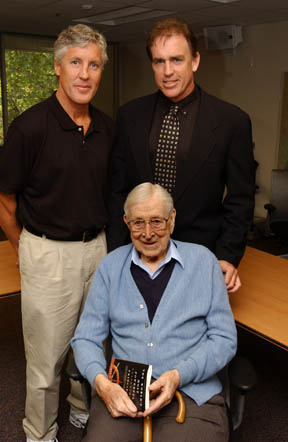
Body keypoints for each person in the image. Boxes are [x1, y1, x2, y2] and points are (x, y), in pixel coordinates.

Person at [0, 24, 113, 442]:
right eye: (76, 63)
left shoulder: (105, 127)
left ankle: (82, 410)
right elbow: (4, 197)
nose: (85, 74)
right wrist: (24, 247)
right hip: (47, 253)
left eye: (94, 65)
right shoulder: (30, 127)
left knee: (92, 348)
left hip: (97, 250)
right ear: (57, 69)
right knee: (46, 361)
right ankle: (40, 432)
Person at [72, 182, 237, 442]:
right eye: (138, 222)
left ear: (172, 220)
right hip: (123, 394)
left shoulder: (203, 262)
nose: (148, 233)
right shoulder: (110, 267)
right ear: (126, 222)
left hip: (192, 396)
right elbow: (85, 339)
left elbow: (225, 340)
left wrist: (178, 375)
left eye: (157, 221)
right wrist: (102, 385)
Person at [107, 17, 255, 293]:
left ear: (195, 61)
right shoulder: (130, 116)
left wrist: (227, 256)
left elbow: (240, 200)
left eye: (176, 60)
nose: (167, 71)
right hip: (136, 255)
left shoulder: (232, 121)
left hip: (199, 258)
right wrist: (116, 253)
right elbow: (118, 190)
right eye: (159, 61)